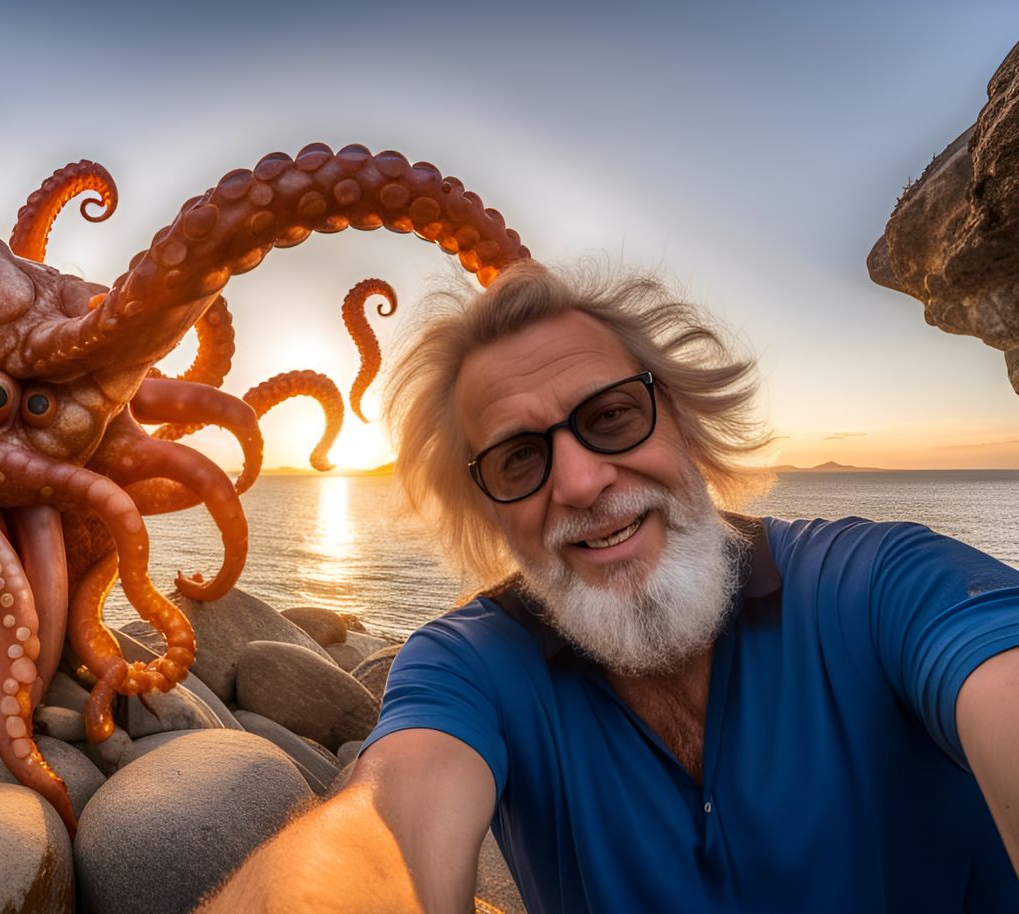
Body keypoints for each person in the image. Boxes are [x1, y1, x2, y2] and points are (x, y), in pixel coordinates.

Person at [199, 262, 1019, 913]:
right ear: (490, 513)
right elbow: (389, 823)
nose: (584, 482)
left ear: (687, 425)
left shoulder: (882, 587)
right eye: (520, 458)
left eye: (614, 416)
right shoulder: (469, 667)